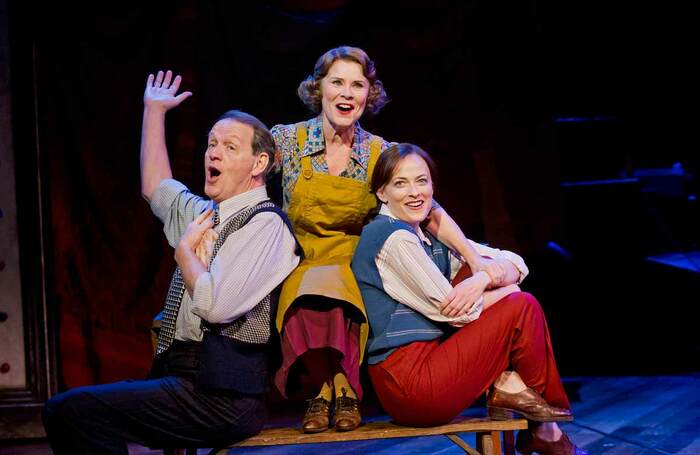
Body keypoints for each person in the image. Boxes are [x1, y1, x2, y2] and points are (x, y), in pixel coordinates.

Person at [42, 70, 301, 454]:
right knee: (74, 411)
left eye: (230, 147)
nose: (213, 153)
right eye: (211, 144)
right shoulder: (202, 214)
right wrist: (154, 111)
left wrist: (185, 256)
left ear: (258, 162)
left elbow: (215, 306)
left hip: (223, 394)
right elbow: (155, 186)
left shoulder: (266, 226)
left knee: (75, 412)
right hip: (183, 378)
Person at [271, 46, 501, 433]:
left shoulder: (379, 151)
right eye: (337, 82)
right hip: (302, 256)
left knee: (338, 287)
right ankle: (323, 391)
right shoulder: (287, 141)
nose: (347, 93)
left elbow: (429, 211)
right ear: (318, 89)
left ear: (368, 94)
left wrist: (475, 259)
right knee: (306, 288)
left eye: (357, 85)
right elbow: (247, 175)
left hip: (358, 257)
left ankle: (342, 388)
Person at [351, 143, 587, 455]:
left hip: (431, 364)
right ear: (382, 192)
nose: (414, 192)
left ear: (433, 187)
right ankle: (544, 428)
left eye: (422, 181)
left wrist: (483, 276)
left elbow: (515, 263)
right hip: (409, 384)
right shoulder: (394, 239)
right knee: (521, 304)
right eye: (400, 183)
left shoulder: (425, 235)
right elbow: (459, 314)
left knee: (494, 290)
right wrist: (501, 288)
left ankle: (538, 421)